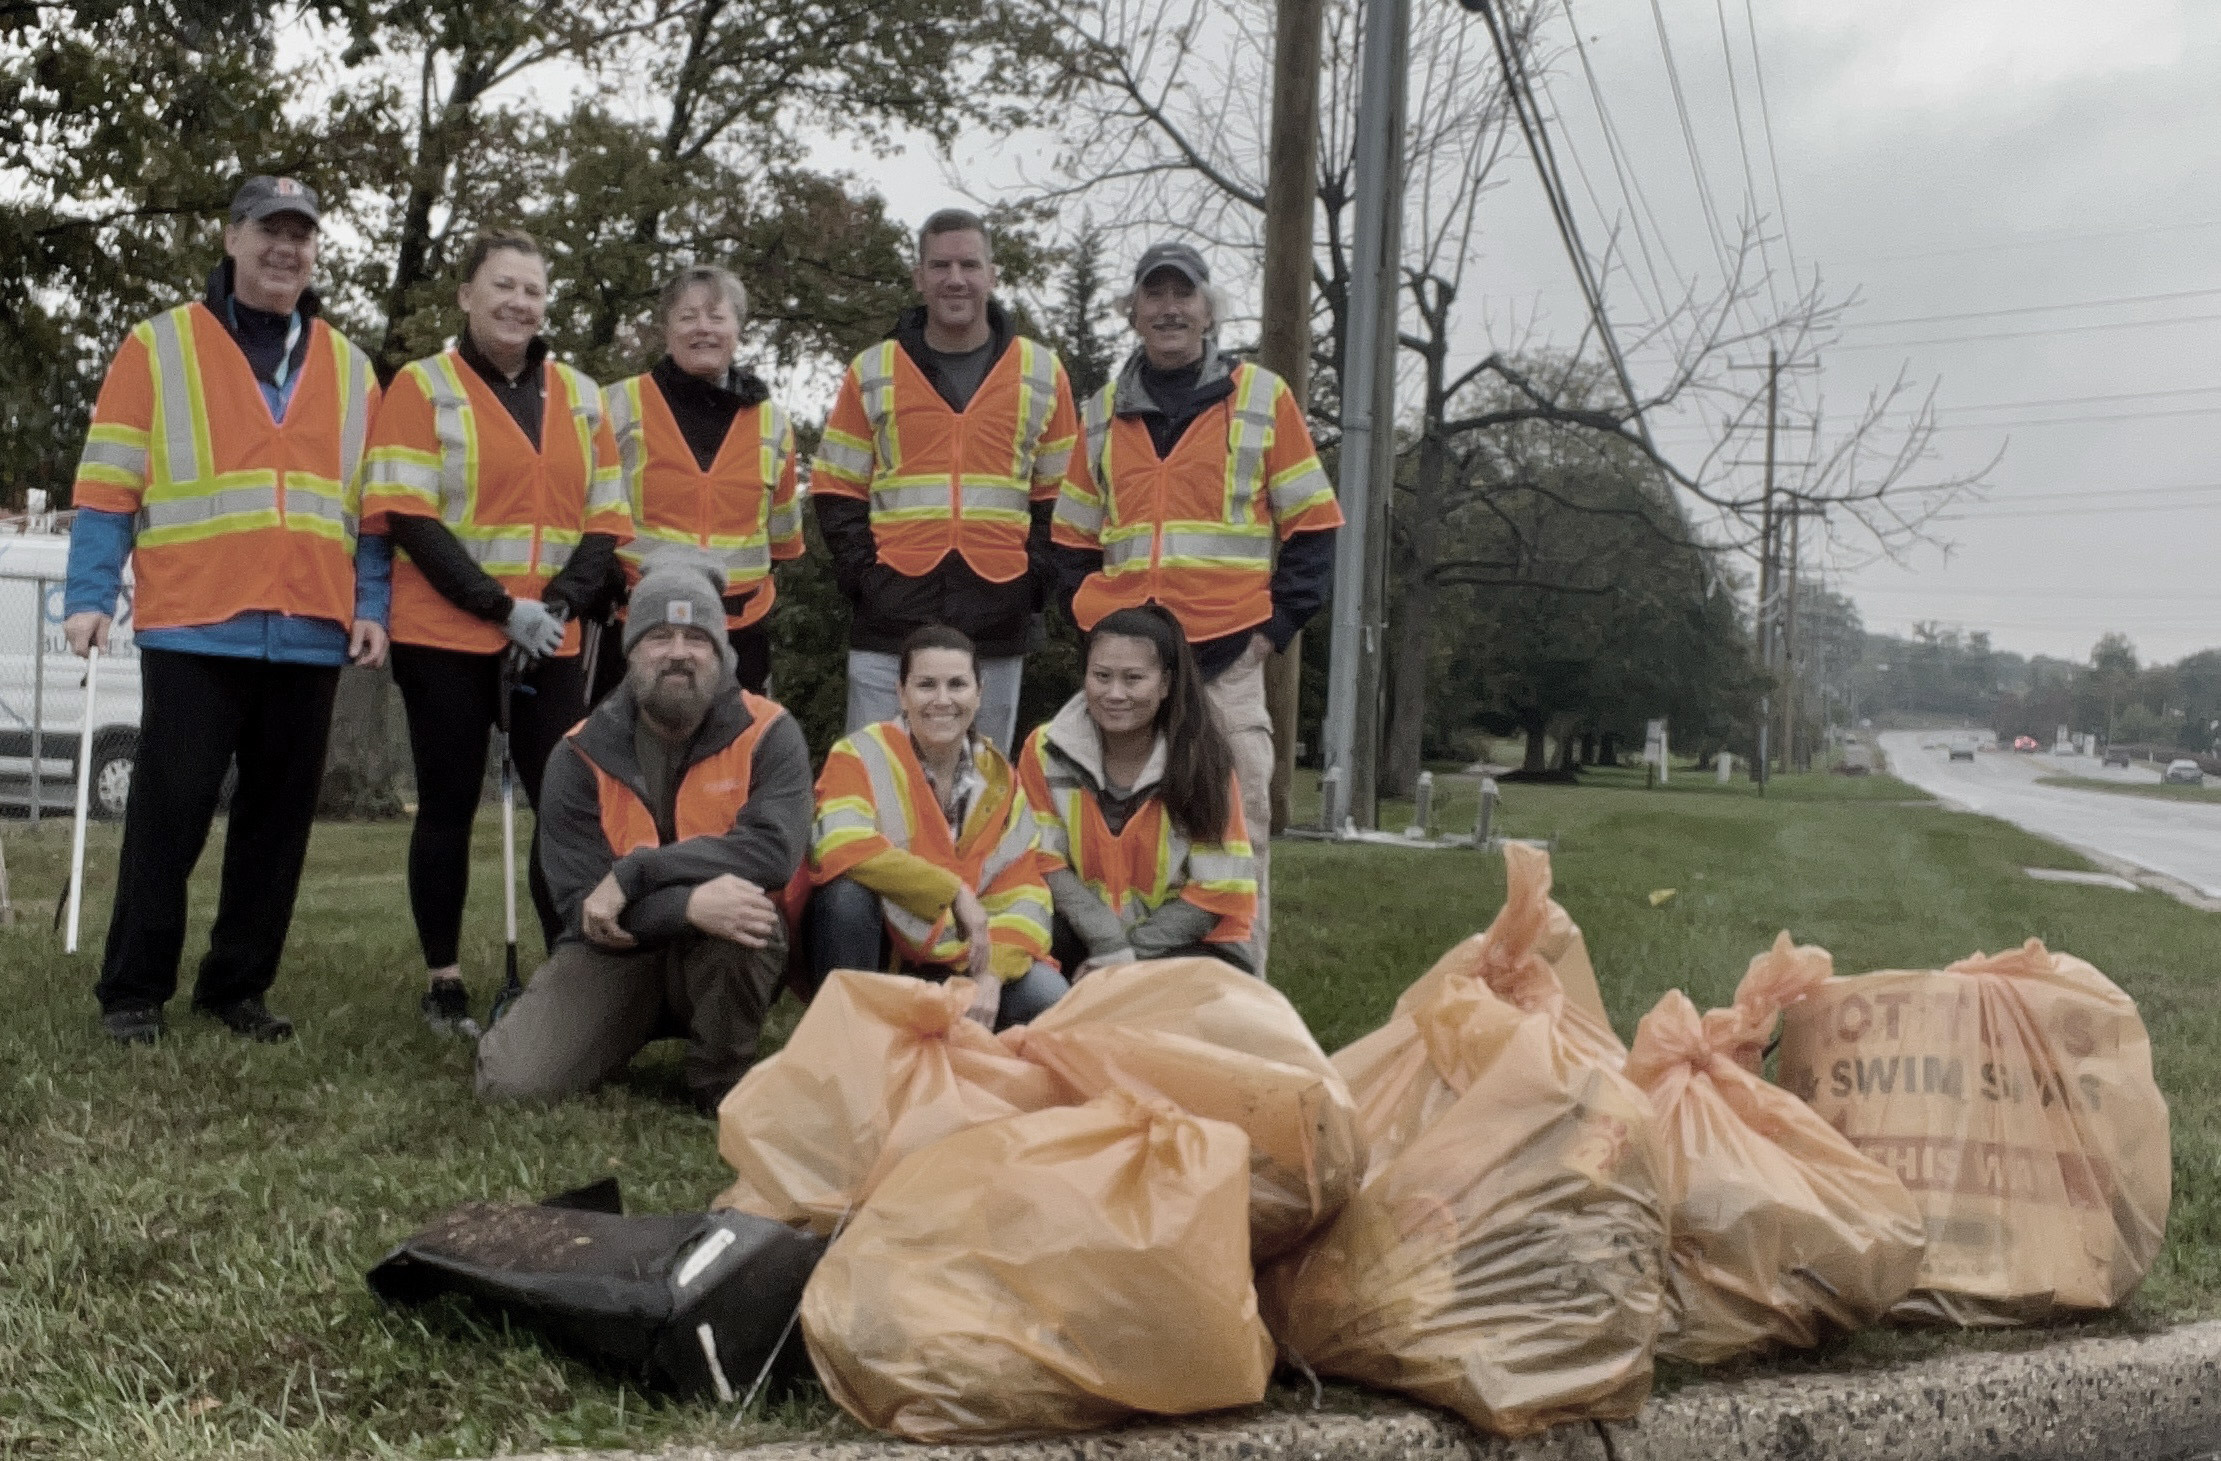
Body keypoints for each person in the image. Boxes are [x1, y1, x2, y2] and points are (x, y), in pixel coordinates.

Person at [63, 175, 388, 1046]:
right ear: (232, 238)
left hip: (313, 630)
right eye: (269, 231)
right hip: (195, 622)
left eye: (302, 235)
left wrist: (373, 603)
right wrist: (89, 595)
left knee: (275, 829)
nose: (287, 249)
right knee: (168, 813)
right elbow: (106, 484)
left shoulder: (353, 368)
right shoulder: (158, 347)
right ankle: (133, 992)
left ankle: (236, 987)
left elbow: (375, 512)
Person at [359, 229, 631, 1035]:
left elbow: (606, 521)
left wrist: (552, 608)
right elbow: (408, 516)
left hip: (550, 637)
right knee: (446, 802)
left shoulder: (583, 396)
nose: (519, 302)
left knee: (562, 798)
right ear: (466, 296)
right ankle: (444, 977)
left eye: (533, 290)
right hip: (444, 632)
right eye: (502, 286)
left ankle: (564, 966)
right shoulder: (423, 387)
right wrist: (495, 606)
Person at [1051, 242, 1341, 972]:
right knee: (1110, 837)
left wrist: (1268, 634)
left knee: (1240, 834)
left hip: (1223, 662)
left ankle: (1247, 1010)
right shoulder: (1099, 414)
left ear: (1209, 310)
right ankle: (1127, 987)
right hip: (1125, 670)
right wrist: (1095, 630)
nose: (1168, 308)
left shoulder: (1261, 398)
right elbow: (1069, 542)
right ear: (1134, 311)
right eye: (1154, 295)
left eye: (1183, 295)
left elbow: (1313, 525)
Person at [475, 555, 813, 1113]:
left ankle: (717, 1083)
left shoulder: (771, 732)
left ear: (722, 654)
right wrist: (686, 906)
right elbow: (584, 907)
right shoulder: (577, 754)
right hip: (613, 953)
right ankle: (616, 1024)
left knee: (749, 916)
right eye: (659, 636)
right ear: (630, 651)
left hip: (723, 946)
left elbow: (772, 853)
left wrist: (637, 873)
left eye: (695, 637)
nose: (678, 652)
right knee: (509, 1087)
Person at [809, 207, 1082, 752]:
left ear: (992, 275)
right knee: (873, 772)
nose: (955, 278)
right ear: (919, 277)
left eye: (968, 264)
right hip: (892, 608)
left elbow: (1063, 498)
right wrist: (866, 578)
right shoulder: (874, 368)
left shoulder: (1040, 370)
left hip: (997, 609)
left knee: (984, 781)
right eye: (940, 265)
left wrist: (1033, 585)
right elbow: (836, 487)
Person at [807, 624, 1067, 1030]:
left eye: (957, 685)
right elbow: (842, 846)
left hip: (964, 956)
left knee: (1050, 999)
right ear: (901, 693)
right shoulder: (858, 754)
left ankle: (967, 1066)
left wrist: (992, 974)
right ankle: (846, 1040)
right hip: (882, 950)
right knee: (844, 897)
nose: (942, 700)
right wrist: (954, 894)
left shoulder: (1001, 778)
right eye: (926, 685)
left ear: (979, 694)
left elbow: (1025, 891)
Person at [593, 265, 801, 700]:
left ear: (738, 330)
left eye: (716, 316)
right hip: (636, 622)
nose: (703, 328)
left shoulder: (774, 424)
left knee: (735, 760)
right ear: (666, 331)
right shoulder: (616, 405)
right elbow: (580, 511)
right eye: (688, 317)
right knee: (620, 760)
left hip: (737, 628)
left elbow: (782, 541)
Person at [1016, 605, 1257, 977]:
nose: (1114, 693)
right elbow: (1043, 862)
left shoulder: (1204, 760)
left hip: (1182, 942)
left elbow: (1219, 889)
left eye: (1133, 679)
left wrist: (1127, 958)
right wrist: (1108, 942)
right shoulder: (1043, 749)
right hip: (1078, 932)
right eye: (1101, 676)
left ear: (1165, 684)